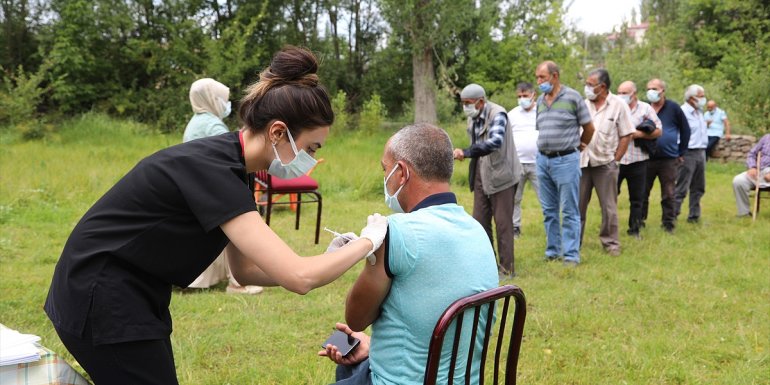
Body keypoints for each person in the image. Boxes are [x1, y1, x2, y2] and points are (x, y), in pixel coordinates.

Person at [43, 46, 389, 385]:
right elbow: (299, 278)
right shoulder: (214, 170)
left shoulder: (237, 168)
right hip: (101, 296)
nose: (311, 160)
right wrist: (367, 241)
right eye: (311, 148)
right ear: (278, 132)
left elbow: (244, 269)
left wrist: (327, 257)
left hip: (130, 292)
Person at [319, 123, 499, 385]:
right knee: (354, 367)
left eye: (385, 170)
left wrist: (371, 252)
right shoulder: (477, 229)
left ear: (401, 172)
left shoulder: (395, 232)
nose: (385, 179)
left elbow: (355, 318)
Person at [183, 78, 263, 295]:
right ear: (211, 100)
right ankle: (237, 282)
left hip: (196, 186)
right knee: (235, 230)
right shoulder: (212, 125)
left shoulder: (196, 122)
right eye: (222, 100)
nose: (226, 105)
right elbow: (230, 159)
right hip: (211, 189)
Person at [453, 83, 520, 277]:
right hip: (482, 173)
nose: (465, 107)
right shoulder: (472, 118)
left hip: (502, 174)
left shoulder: (498, 114)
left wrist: (465, 153)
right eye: (463, 103)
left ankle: (507, 270)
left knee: (503, 223)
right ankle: (488, 266)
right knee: (480, 221)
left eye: (468, 103)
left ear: (481, 101)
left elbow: (494, 143)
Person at [534, 61, 595, 266]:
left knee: (569, 209)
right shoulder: (540, 101)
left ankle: (571, 255)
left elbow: (589, 127)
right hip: (543, 160)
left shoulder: (572, 97)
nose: (539, 81)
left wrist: (581, 146)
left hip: (566, 159)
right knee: (549, 210)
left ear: (555, 76)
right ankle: (553, 251)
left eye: (542, 77)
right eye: (537, 78)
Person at [579, 69, 634, 256]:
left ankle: (611, 243)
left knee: (609, 207)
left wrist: (616, 159)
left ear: (602, 87)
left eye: (590, 84)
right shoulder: (583, 104)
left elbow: (627, 134)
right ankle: (573, 244)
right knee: (577, 206)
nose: (586, 88)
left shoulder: (618, 105)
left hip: (605, 164)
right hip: (582, 163)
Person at [642, 78, 690, 233]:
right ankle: (639, 221)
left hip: (668, 159)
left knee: (669, 193)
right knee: (642, 192)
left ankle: (668, 224)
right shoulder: (644, 108)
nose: (651, 92)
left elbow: (685, 130)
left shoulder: (674, 108)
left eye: (655, 88)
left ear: (663, 91)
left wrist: (681, 151)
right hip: (646, 157)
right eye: (649, 88)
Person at [616, 80, 662, 239]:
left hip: (638, 160)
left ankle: (634, 229)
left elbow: (658, 130)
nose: (621, 96)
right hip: (616, 160)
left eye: (624, 93)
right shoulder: (614, 106)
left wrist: (639, 134)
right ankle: (610, 228)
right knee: (610, 195)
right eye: (619, 92)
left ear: (633, 94)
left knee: (637, 198)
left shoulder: (645, 108)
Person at [507, 82, 540, 239]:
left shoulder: (541, 112)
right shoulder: (512, 114)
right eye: (519, 96)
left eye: (525, 96)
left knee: (545, 197)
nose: (522, 99)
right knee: (514, 198)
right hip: (517, 162)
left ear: (534, 95)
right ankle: (515, 227)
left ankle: (551, 227)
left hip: (538, 162)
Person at [674, 84, 708, 224]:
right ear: (691, 98)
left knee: (698, 187)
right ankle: (672, 216)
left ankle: (694, 216)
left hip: (701, 152)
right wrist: (679, 153)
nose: (703, 99)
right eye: (700, 96)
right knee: (681, 186)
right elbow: (676, 134)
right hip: (687, 153)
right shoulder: (682, 113)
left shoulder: (699, 112)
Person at [732, 134, 770, 217]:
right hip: (759, 172)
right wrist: (752, 167)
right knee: (739, 181)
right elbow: (752, 154)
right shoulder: (766, 138)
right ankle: (744, 213)